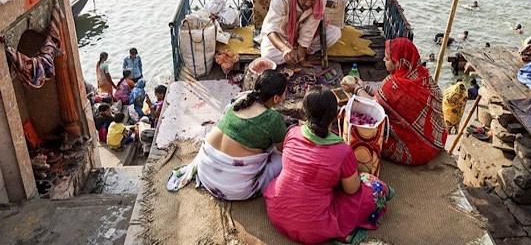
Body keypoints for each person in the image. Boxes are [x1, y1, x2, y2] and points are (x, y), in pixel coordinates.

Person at [264, 86, 393, 245]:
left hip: (278, 212)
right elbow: (351, 190)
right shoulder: (342, 151)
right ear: (335, 116)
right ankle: (345, 230)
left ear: (305, 112)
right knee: (374, 189)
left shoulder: (293, 133)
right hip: (312, 228)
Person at [167, 70, 288, 200]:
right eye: (284, 93)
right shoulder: (273, 119)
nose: (285, 96)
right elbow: (282, 149)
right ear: (276, 98)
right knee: (285, 159)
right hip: (235, 188)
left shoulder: (241, 98)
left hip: (206, 170)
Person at [341, 38, 447, 165]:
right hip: (437, 140)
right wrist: (365, 88)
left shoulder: (394, 85)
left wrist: (357, 89)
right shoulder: (422, 74)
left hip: (415, 152)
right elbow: (386, 96)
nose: (383, 60)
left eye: (387, 58)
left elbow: (374, 107)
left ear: (397, 63)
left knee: (363, 139)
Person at [255, 0, 342, 65]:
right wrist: (284, 49)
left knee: (335, 33)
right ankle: (294, 52)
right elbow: (271, 29)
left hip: (303, 35)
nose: (308, 3)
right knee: (268, 56)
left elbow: (309, 30)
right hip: (281, 35)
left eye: (312, 0)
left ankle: (297, 53)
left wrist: (302, 59)